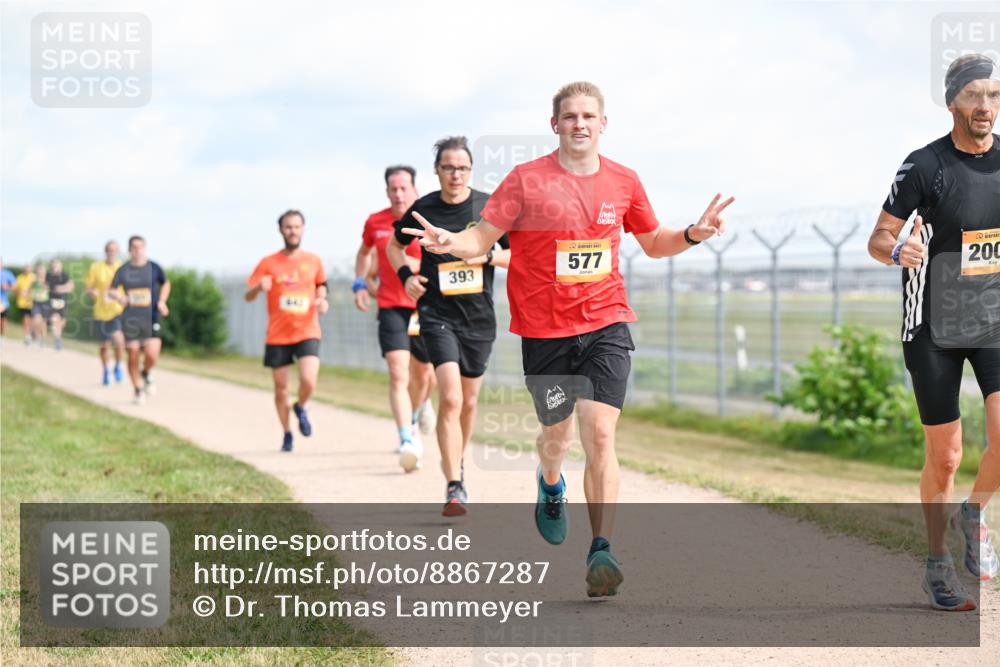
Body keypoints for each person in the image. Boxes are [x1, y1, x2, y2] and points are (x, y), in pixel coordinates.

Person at [404, 83, 733, 596]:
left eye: (589, 116)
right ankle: (550, 479)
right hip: (544, 333)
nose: (580, 124)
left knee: (600, 434)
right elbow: (481, 238)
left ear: (604, 124)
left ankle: (602, 547)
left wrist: (693, 233)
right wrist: (451, 243)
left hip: (605, 322)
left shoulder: (624, 181)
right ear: (554, 124)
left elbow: (652, 242)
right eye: (570, 116)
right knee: (556, 436)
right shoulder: (526, 180)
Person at [867, 53, 1000, 612]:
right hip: (933, 326)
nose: (985, 107)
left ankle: (974, 513)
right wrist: (899, 250)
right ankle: (937, 564)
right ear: (953, 104)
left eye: (993, 96)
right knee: (945, 456)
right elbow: (878, 238)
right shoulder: (925, 166)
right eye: (974, 96)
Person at [391, 136, 510, 515]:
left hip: (478, 317)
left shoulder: (489, 206)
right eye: (448, 167)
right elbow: (396, 247)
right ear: (437, 171)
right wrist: (405, 277)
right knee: (452, 398)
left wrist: (488, 255)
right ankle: (454, 484)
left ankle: (457, 463)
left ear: (470, 170)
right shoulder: (423, 209)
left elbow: (518, 252)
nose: (455, 174)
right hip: (436, 315)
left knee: (469, 403)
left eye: (462, 168)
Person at [354, 165, 436, 471]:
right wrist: (361, 283)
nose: (399, 194)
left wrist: (414, 266)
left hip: (426, 308)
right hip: (391, 307)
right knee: (398, 373)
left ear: (415, 189)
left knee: (425, 376)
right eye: (393, 189)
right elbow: (364, 255)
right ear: (387, 191)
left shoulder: (428, 217)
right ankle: (406, 437)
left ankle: (418, 410)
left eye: (404, 188)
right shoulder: (375, 222)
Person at [246, 210, 329, 452]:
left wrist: (322, 300)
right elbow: (248, 295)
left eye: (297, 226)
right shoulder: (268, 262)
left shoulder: (313, 260)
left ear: (303, 229)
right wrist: (259, 288)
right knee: (281, 388)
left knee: (308, 380)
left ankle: (301, 406)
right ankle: (286, 433)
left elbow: (322, 285)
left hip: (307, 329)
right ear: (281, 230)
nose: (293, 231)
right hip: (278, 334)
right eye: (288, 227)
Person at [112, 236, 171, 405]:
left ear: (144, 248)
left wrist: (162, 301)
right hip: (130, 318)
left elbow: (166, 283)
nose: (137, 250)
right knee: (132, 354)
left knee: (152, 353)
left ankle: (146, 372)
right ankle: (138, 390)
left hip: (151, 316)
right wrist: (120, 297)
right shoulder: (123, 270)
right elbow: (112, 290)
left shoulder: (154, 267)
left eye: (140, 247)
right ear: (129, 249)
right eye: (134, 247)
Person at [85, 241, 126, 385]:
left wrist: (123, 298)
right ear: (105, 251)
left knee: (119, 339)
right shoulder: (95, 267)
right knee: (104, 346)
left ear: (118, 252)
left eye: (114, 250)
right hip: (100, 312)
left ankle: (117, 366)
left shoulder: (122, 267)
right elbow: (88, 288)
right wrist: (92, 292)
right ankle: (106, 371)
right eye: (109, 250)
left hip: (117, 310)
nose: (111, 252)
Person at [46, 258, 74, 351]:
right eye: (53, 264)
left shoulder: (64, 275)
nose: (55, 266)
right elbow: (45, 286)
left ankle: (58, 337)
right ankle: (56, 339)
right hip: (52, 301)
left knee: (61, 323)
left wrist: (61, 288)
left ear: (60, 265)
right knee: (54, 319)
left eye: (57, 264)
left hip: (62, 301)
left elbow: (70, 286)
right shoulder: (49, 275)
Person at [13, 264, 36, 344]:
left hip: (32, 302)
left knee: (33, 319)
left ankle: (32, 332)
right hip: (22, 302)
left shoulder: (34, 277)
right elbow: (15, 289)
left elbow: (37, 288)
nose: (27, 270)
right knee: (25, 319)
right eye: (26, 268)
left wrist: (30, 292)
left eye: (29, 268)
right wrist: (19, 293)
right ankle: (27, 336)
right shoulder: (19, 277)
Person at [29, 263, 49, 347]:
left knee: (43, 322)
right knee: (37, 320)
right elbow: (30, 291)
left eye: (42, 270)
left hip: (45, 303)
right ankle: (35, 334)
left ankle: (42, 338)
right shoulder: (34, 282)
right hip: (36, 303)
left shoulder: (48, 281)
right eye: (39, 270)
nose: (41, 272)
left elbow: (50, 290)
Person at [0, 259, 15, 338]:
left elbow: (14, 286)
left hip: (3, 301)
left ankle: (2, 335)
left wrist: (7, 287)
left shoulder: (7, 274)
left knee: (3, 319)